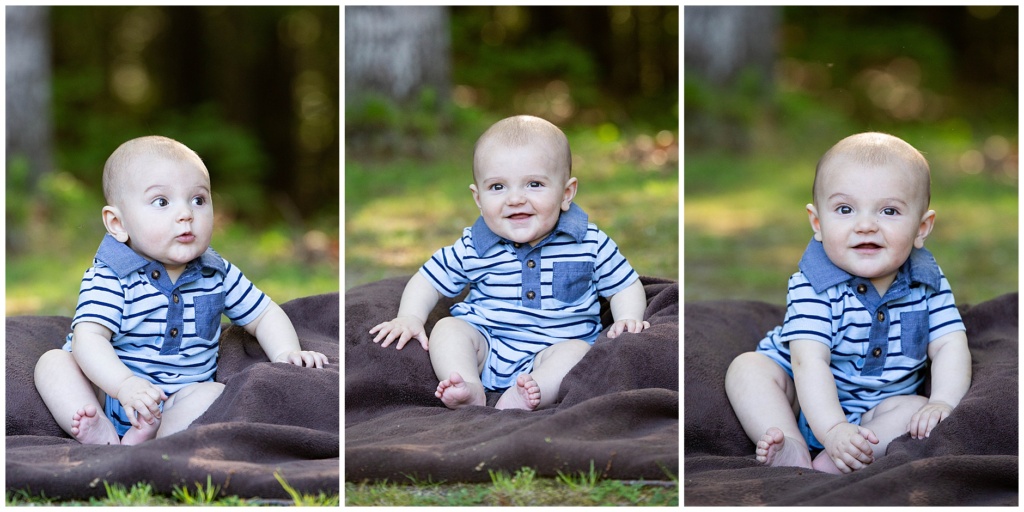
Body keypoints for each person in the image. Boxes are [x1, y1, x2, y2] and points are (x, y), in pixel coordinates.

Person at [33, 135, 329, 446]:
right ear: (117, 223)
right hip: (107, 389)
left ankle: (154, 441)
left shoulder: (216, 272)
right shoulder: (111, 276)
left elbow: (264, 313)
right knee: (54, 364)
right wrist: (124, 386)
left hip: (176, 399)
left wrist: (285, 352)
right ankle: (100, 433)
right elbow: (88, 340)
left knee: (214, 394)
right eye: (162, 202)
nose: (186, 214)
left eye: (198, 200)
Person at [725, 132, 972, 474]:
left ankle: (837, 462)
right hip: (801, 397)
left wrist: (943, 401)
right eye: (845, 209)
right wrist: (832, 430)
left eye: (889, 210)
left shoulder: (927, 281)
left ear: (922, 227)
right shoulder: (813, 285)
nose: (866, 225)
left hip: (878, 413)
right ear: (817, 223)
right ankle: (793, 445)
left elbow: (949, 345)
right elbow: (808, 362)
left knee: (916, 410)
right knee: (748, 369)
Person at [370, 115, 650, 411]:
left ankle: (531, 392)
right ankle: (469, 386)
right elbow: (428, 279)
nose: (515, 198)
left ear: (566, 193)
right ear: (478, 199)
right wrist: (410, 317)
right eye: (498, 187)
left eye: (534, 184)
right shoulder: (474, 245)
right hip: (487, 344)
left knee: (579, 352)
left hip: (554, 349)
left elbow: (625, 284)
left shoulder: (588, 242)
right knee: (448, 330)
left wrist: (626, 319)